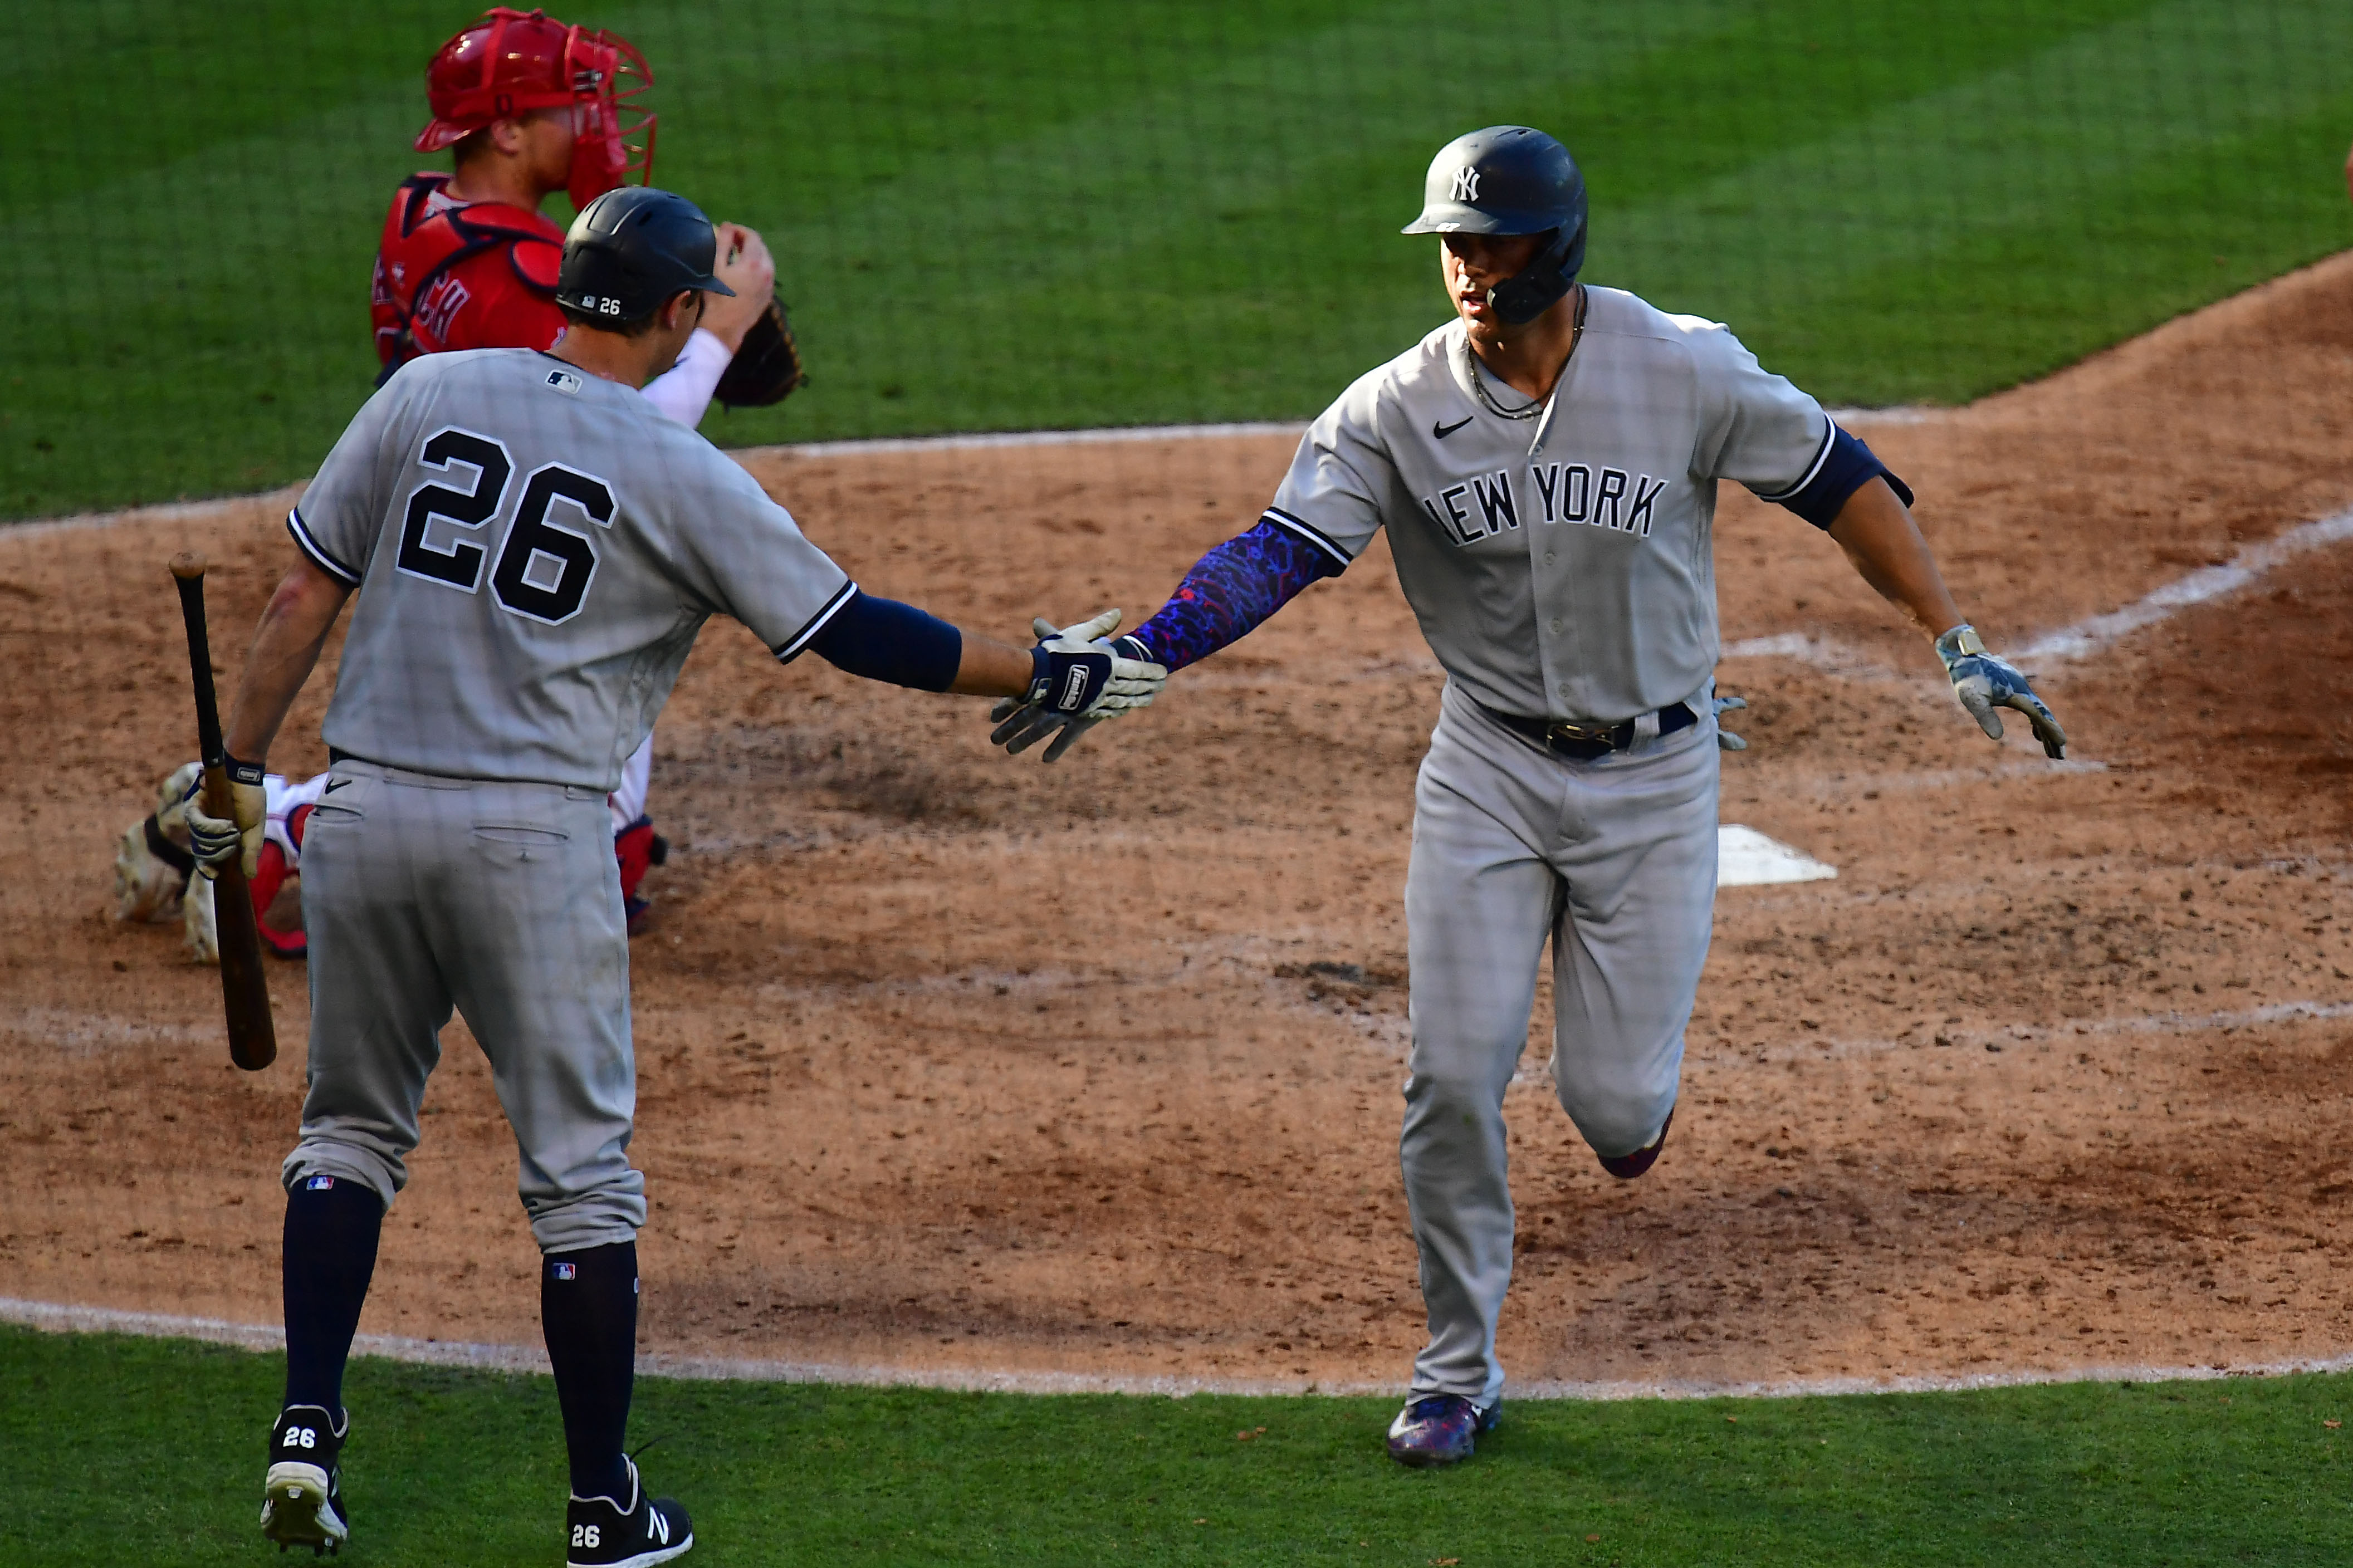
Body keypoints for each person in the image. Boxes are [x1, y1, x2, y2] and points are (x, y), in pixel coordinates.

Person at [993, 126, 2067, 1467]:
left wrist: (1950, 638)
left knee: (1613, 1114)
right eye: (1448, 242)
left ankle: (1631, 1101)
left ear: (1551, 249)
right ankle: (1454, 1370)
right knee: (1449, 1073)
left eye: (1485, 242)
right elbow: (1280, 549)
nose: (1460, 266)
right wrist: (1152, 643)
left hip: (1662, 771)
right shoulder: (1393, 405)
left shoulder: (1679, 365)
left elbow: (1842, 480)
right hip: (1487, 770)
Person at [183, 187, 1162, 1564]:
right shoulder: (680, 473)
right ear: (684, 312)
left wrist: (228, 769)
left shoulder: (429, 393)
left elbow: (300, 593)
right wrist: (1042, 663)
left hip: (362, 812)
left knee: (347, 1136)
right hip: (532, 843)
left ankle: (303, 1437)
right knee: (580, 1186)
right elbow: (854, 631)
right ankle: (599, 1510)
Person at [371, 4, 782, 930]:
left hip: (434, 525)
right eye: (570, 106)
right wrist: (716, 339)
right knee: (573, 797)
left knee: (455, 754)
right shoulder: (524, 274)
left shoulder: (422, 210)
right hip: (504, 556)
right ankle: (280, 823)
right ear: (509, 129)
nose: (593, 126)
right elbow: (610, 443)